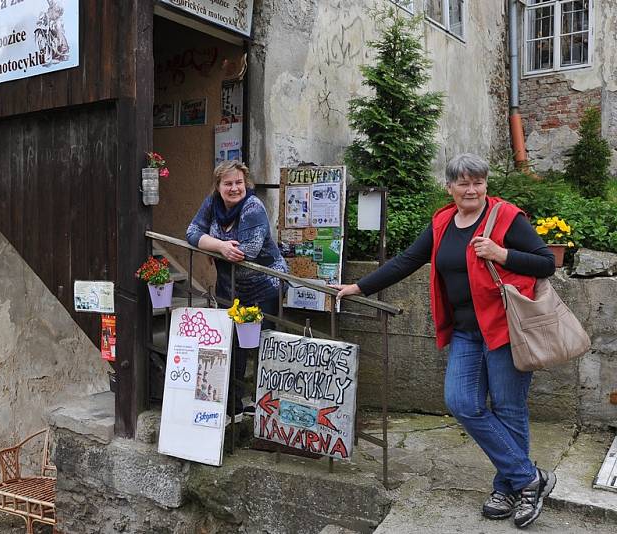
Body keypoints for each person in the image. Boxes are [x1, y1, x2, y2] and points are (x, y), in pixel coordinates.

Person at [332, 154, 556, 529]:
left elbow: (546, 262)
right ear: (449, 187)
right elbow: (407, 260)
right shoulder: (442, 223)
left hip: (505, 330)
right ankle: (529, 477)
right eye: (464, 183)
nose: (472, 189)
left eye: (478, 182)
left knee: (508, 408)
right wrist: (359, 286)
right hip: (468, 332)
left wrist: (502, 254)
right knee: (461, 401)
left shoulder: (506, 218)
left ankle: (509, 488)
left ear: (486, 184)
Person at [186, 160, 288, 420]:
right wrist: (219, 247)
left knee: (266, 344)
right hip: (229, 287)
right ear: (218, 186)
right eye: (228, 183)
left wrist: (210, 245)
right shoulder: (212, 203)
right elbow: (192, 231)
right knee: (231, 345)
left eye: (239, 183)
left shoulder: (253, 207)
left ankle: (268, 409)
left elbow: (247, 251)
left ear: (246, 184)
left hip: (265, 286)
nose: (234, 188)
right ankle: (234, 407)